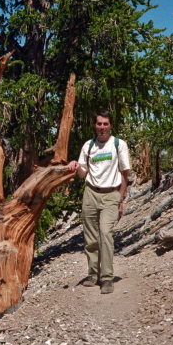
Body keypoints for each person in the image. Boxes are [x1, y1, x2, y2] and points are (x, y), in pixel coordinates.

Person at [68, 110, 130, 294]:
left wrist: (121, 198)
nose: (102, 128)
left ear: (110, 125)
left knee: (105, 233)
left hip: (111, 194)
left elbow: (124, 173)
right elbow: (83, 173)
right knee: (90, 237)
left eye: (105, 124)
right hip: (90, 194)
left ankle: (107, 277)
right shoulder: (88, 146)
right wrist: (76, 166)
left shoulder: (119, 145)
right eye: (99, 124)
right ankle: (92, 274)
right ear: (94, 125)